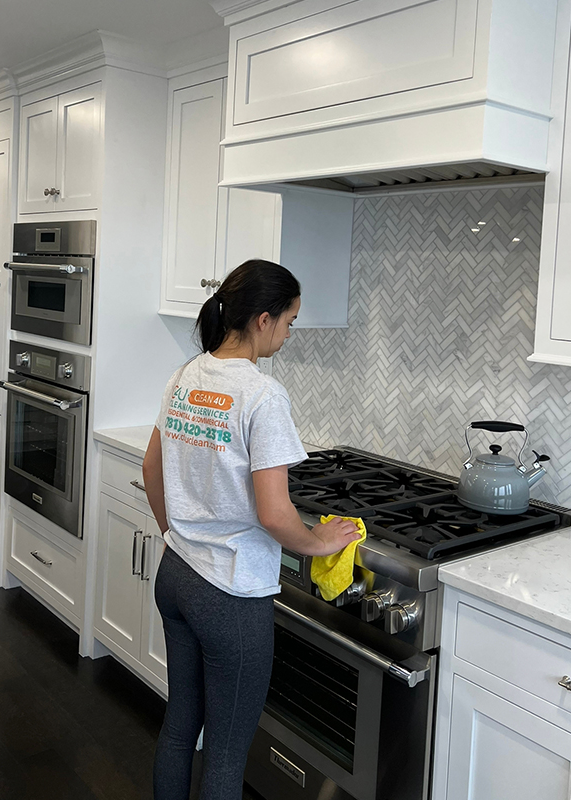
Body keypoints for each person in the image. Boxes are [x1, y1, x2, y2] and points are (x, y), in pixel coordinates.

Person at [142, 259, 360, 800]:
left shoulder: (186, 375)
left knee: (179, 726)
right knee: (224, 755)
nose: (288, 334)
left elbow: (152, 467)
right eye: (289, 321)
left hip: (176, 575)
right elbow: (274, 514)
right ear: (263, 319)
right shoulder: (262, 396)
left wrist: (179, 534)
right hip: (230, 596)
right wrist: (320, 543)